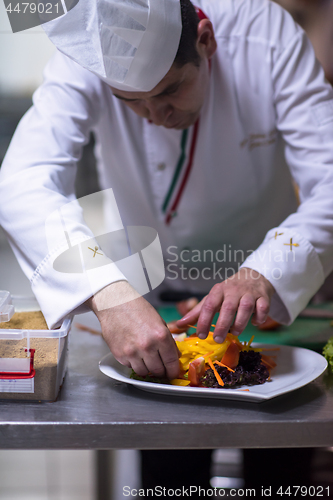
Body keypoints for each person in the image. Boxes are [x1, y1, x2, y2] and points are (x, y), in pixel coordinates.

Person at [1, 0, 332, 496]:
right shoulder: (86, 55)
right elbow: (23, 179)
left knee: (280, 465)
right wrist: (107, 291)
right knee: (169, 469)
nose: (155, 114)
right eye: (130, 101)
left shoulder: (265, 32)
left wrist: (265, 271)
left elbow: (329, 179)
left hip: (269, 302)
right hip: (148, 298)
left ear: (206, 40)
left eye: (172, 89)